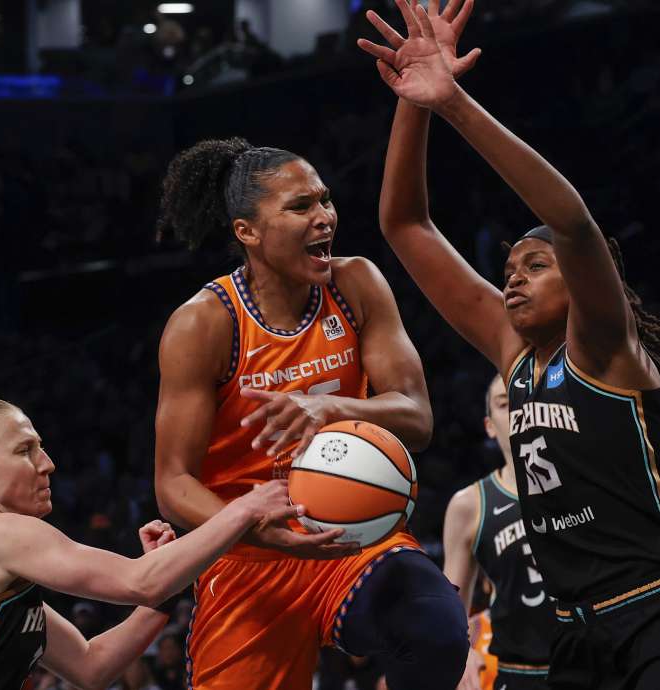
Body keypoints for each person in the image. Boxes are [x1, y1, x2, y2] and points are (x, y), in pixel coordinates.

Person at [357, 1, 660, 687]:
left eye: (535, 267)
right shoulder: (516, 353)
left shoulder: (606, 349)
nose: (514, 281)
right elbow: (404, 223)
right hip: (577, 635)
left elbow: (573, 222)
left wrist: (456, 104)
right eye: (508, 273)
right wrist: (414, 97)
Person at [152, 118, 466, 689]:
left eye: (325, 200)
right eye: (300, 207)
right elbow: (173, 485)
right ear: (247, 231)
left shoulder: (356, 284)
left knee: (434, 629)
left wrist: (331, 410)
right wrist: (254, 526)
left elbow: (417, 417)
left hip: (350, 532)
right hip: (247, 557)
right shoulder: (205, 323)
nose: (325, 217)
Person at [0, 379, 298, 690]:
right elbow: (141, 581)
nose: (47, 463)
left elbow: (91, 665)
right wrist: (245, 506)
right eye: (24, 450)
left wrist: (168, 586)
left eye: (40, 447)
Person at [442, 375, 555, 689]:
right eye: (505, 404)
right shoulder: (470, 505)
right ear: (490, 426)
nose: (518, 410)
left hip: (599, 664)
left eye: (526, 399)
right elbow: (451, 610)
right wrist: (461, 654)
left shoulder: (587, 482)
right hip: (521, 673)